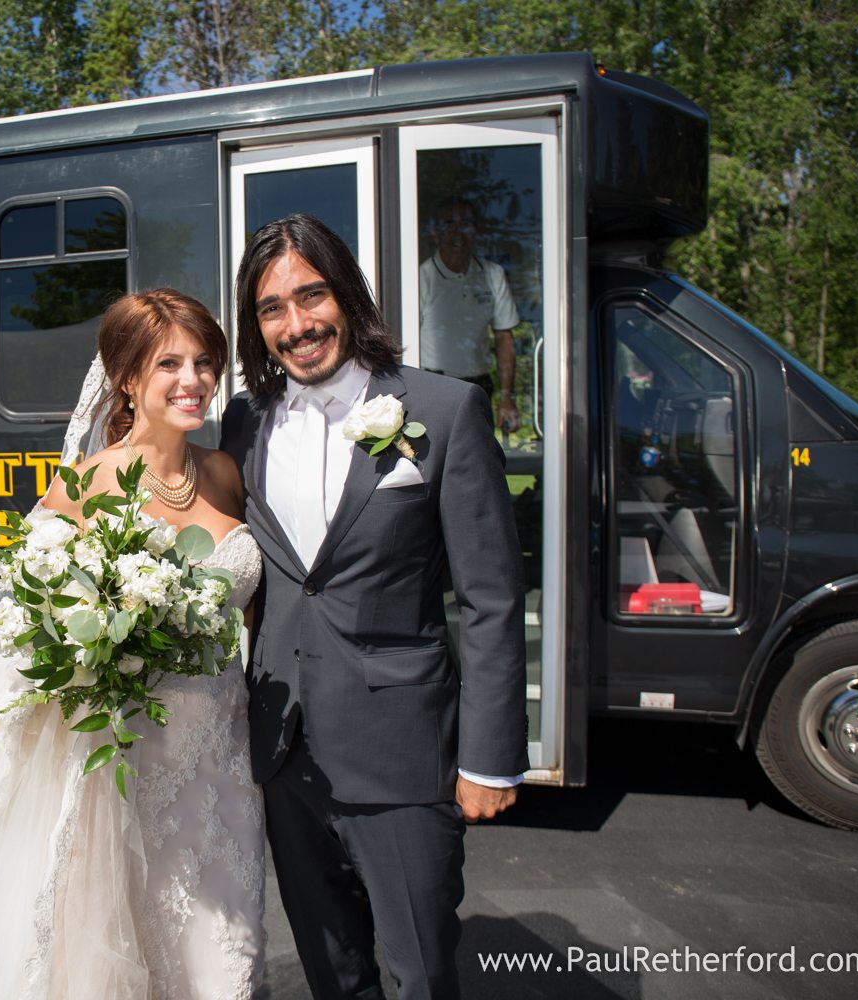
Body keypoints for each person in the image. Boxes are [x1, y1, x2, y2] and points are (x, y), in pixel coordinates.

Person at [0, 288, 266, 1000]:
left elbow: (249, 610)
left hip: (223, 757)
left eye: (205, 361)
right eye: (170, 363)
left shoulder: (224, 472)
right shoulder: (87, 483)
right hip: (132, 762)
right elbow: (30, 612)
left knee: (227, 956)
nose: (193, 379)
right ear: (128, 377)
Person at [221, 213, 527, 999]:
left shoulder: (444, 410)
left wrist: (489, 757)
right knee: (334, 974)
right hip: (286, 758)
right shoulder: (244, 422)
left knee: (419, 973)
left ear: (347, 296)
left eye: (310, 296)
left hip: (402, 755)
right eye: (271, 309)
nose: (295, 324)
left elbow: (490, 598)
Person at [418, 196, 523, 432]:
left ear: (476, 231)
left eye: (465, 224)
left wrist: (507, 398)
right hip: (434, 384)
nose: (458, 233)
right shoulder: (421, 278)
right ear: (436, 233)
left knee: (477, 459)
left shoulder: (492, 274)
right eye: (449, 224)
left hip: (479, 386)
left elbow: (504, 338)